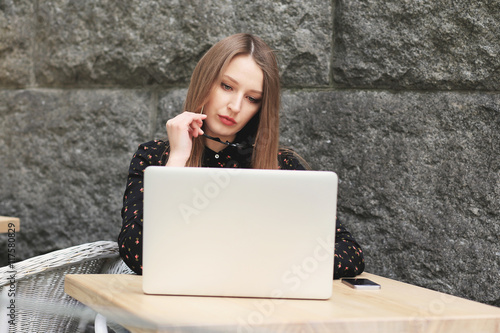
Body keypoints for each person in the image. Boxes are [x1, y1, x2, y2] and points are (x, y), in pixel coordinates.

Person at [118, 33, 364, 278]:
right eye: (227, 86)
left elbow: (349, 252)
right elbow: (136, 251)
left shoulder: (282, 167)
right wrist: (177, 160)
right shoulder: (154, 157)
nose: (235, 106)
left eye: (252, 98)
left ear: (261, 107)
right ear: (206, 81)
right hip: (175, 308)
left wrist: (271, 266)